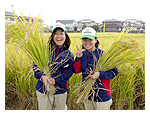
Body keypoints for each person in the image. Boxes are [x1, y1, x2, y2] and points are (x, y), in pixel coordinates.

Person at [74, 27, 118, 110]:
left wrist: (99, 74)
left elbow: (114, 72)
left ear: (96, 40)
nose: (87, 42)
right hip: (87, 95)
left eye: (90, 39)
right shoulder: (82, 55)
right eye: (84, 40)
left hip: (102, 96)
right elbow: (76, 71)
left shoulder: (104, 55)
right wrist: (78, 58)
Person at [32, 22, 74, 110]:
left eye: (61, 33)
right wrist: (42, 77)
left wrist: (56, 80)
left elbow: (69, 72)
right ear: (52, 36)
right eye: (56, 34)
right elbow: (35, 67)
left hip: (60, 90)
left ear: (65, 36)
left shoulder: (68, 54)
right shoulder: (44, 51)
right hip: (43, 89)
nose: (59, 36)